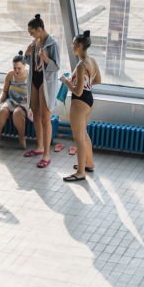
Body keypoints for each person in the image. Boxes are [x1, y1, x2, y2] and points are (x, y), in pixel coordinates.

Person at [61, 30, 102, 182]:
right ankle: (89, 164)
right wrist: (85, 84)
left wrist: (66, 82)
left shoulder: (80, 65)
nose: (72, 46)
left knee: (78, 138)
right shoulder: (92, 61)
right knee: (83, 134)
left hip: (79, 102)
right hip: (89, 99)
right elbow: (98, 80)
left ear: (79, 46)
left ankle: (80, 172)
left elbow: (77, 92)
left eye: (73, 43)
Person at [22, 14, 62, 169]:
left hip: (46, 83)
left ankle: (47, 154)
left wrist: (46, 59)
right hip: (34, 79)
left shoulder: (53, 45)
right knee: (36, 114)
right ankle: (39, 147)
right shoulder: (35, 42)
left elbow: (56, 67)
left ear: (39, 29)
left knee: (45, 118)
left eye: (32, 32)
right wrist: (27, 53)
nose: (31, 35)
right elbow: (28, 62)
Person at [0, 50, 31, 150]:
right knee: (2, 112)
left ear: (25, 66)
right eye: (14, 68)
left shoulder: (30, 76)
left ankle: (22, 139)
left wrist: (30, 97)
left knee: (17, 113)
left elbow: (36, 93)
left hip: (24, 103)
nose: (16, 71)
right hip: (11, 101)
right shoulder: (10, 75)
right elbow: (4, 91)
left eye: (19, 68)